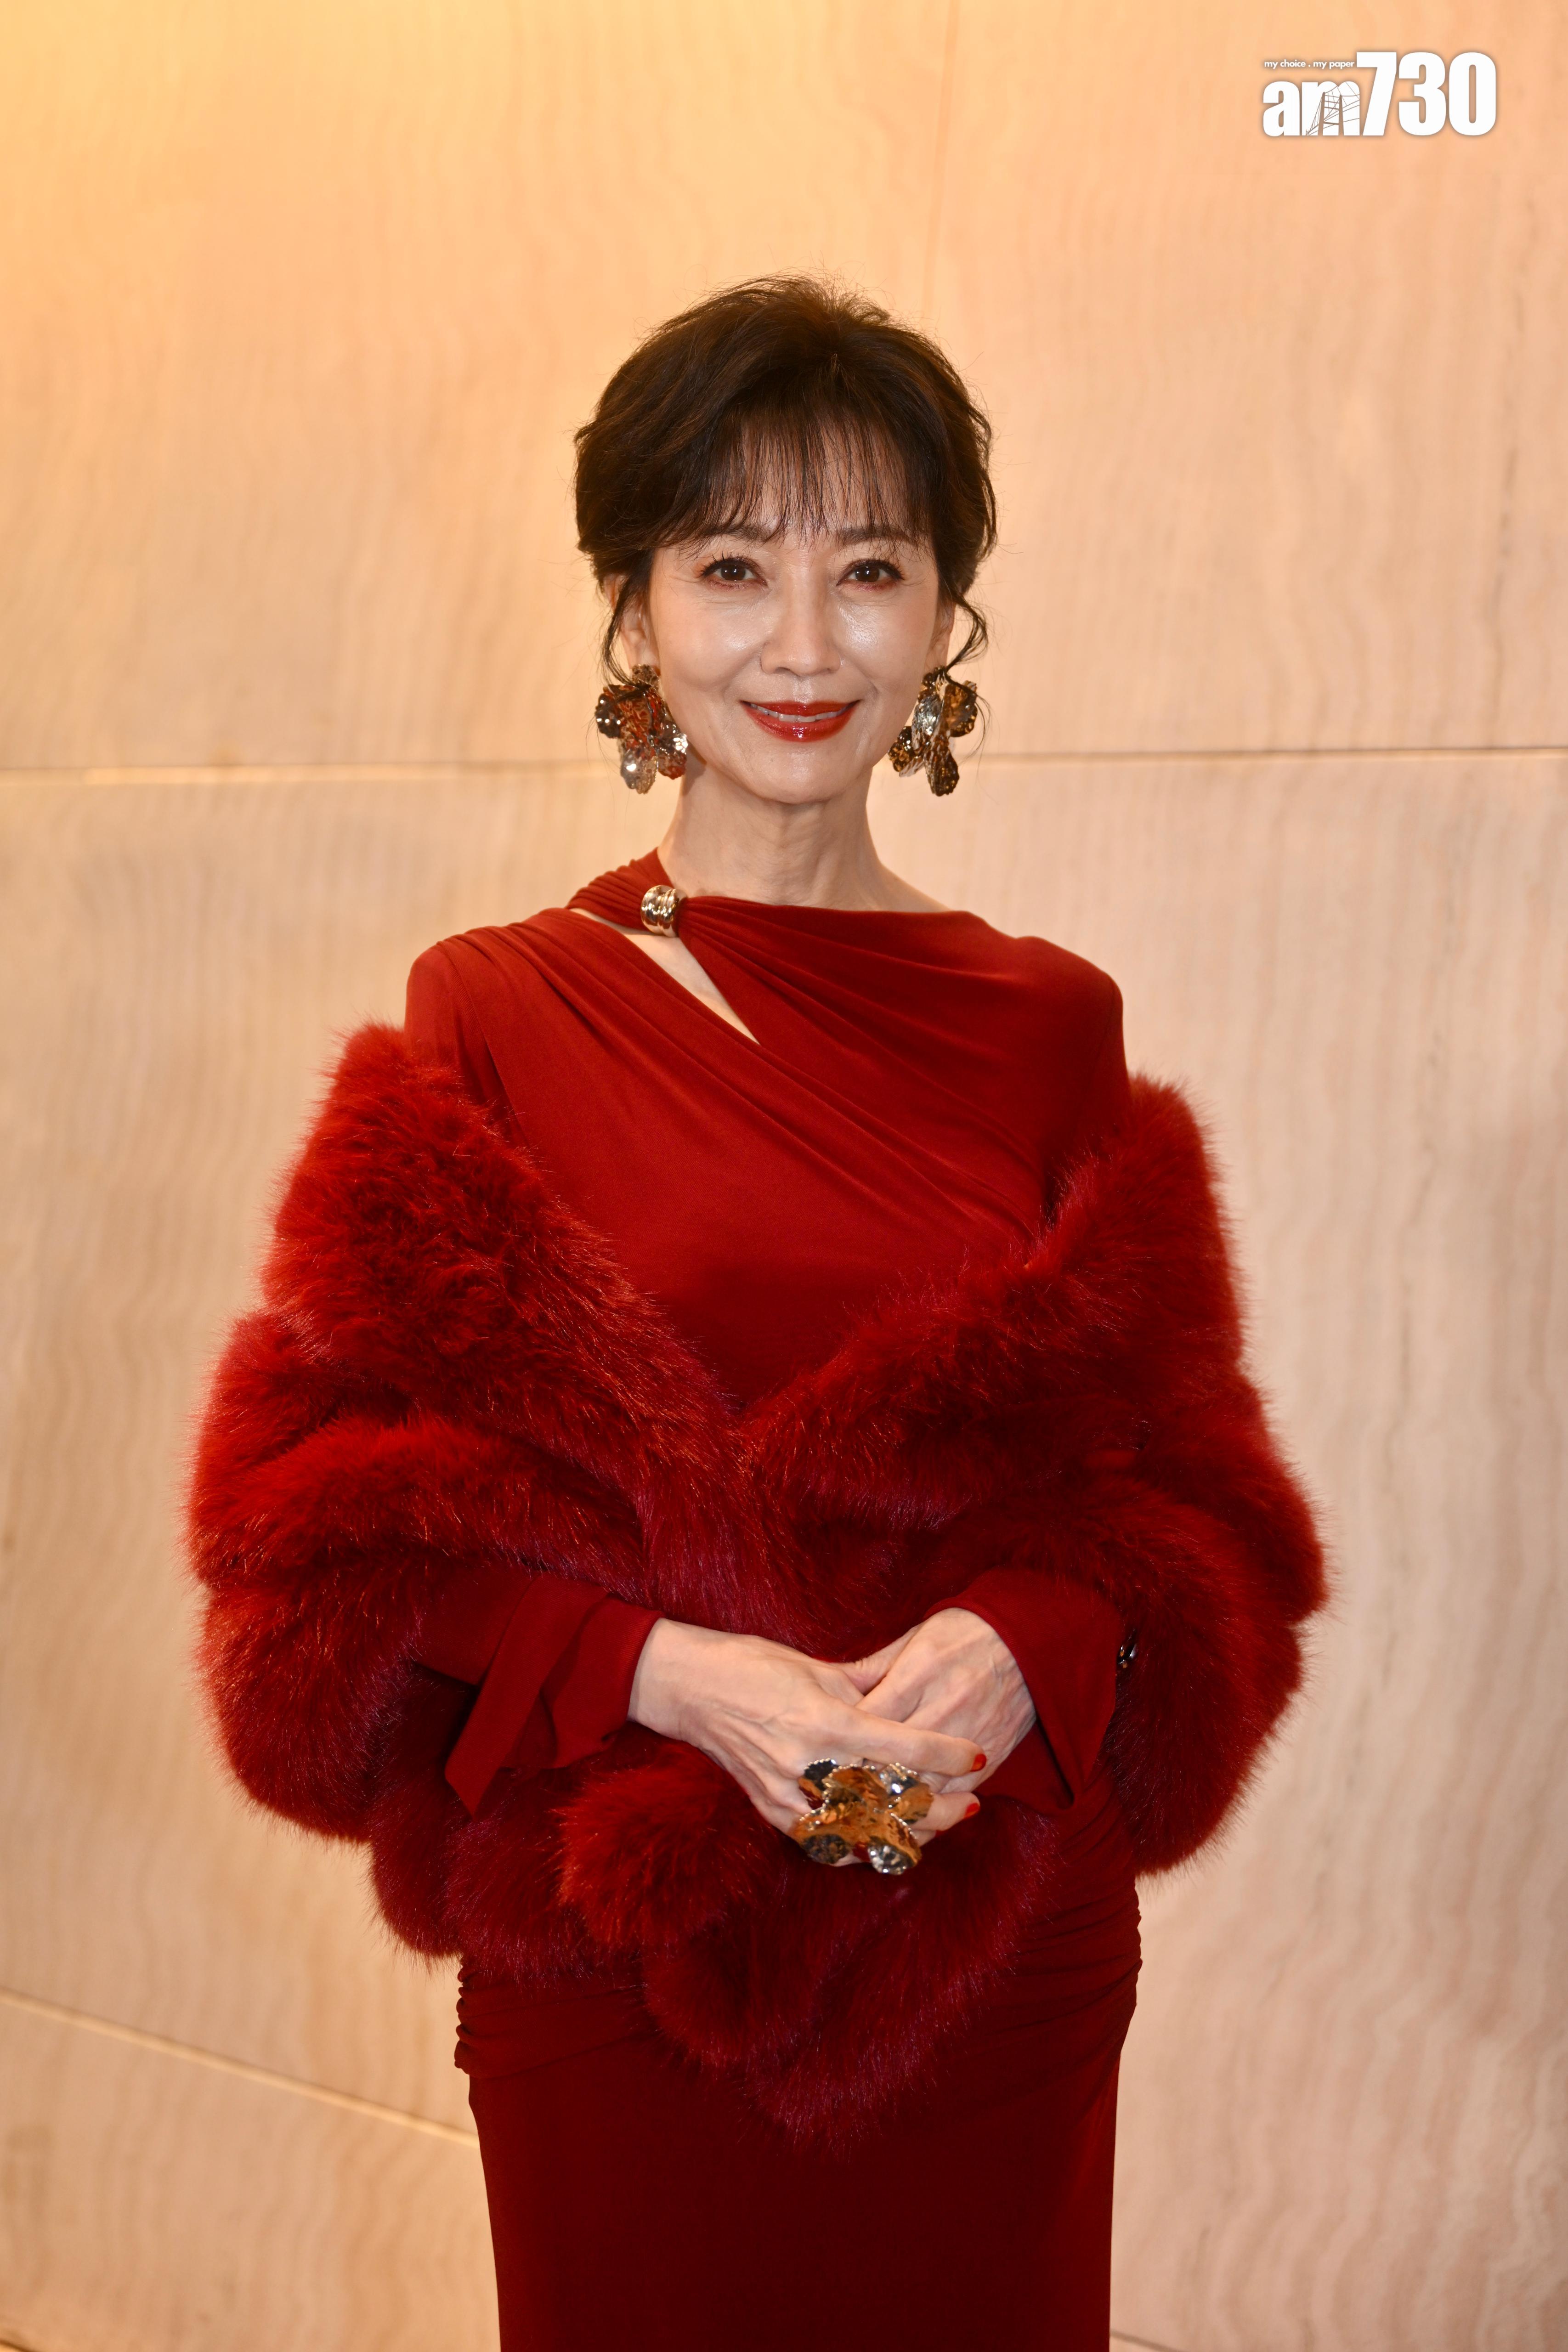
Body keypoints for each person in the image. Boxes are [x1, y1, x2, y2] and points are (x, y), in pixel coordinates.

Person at [187, 278, 1325, 2352]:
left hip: (992, 1943)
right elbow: (327, 1520)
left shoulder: (1049, 1024)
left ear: (945, 618)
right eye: (731, 567)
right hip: (622, 1947)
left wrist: (1025, 1638)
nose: (803, 643)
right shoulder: (497, 1008)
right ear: (632, 612)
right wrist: (672, 1673)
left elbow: (1191, 1501)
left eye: (868, 569)